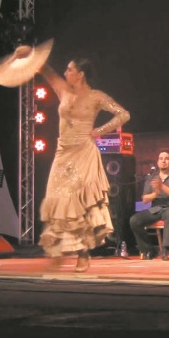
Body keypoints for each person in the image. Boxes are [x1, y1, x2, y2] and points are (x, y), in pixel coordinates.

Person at [36, 54, 130, 272]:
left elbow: (123, 114)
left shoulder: (96, 96)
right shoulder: (63, 90)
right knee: (56, 198)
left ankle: (83, 254)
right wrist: (28, 56)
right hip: (63, 152)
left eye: (70, 69)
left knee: (80, 203)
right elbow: (46, 71)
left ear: (81, 73)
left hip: (84, 152)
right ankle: (58, 250)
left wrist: (100, 131)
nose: (66, 73)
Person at [129, 149, 169, 261]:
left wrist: (162, 186)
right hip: (156, 208)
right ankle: (149, 250)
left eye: (166, 159)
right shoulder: (152, 177)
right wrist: (155, 193)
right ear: (158, 162)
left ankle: (166, 249)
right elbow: (145, 199)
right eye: (161, 159)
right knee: (134, 220)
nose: (163, 161)